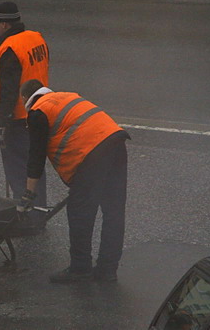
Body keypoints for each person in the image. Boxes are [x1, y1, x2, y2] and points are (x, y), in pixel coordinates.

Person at [17, 79, 129, 283]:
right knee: (113, 211)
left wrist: (29, 194)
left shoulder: (38, 111)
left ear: (25, 98)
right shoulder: (66, 97)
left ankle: (80, 268)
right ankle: (108, 270)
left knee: (80, 212)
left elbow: (36, 157)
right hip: (116, 143)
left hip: (92, 155)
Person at [0, 1, 49, 207]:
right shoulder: (35, 39)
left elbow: (8, 92)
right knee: (33, 166)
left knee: (18, 167)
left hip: (18, 119)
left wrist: (0, 124)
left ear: (4, 25)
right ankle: (39, 209)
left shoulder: (10, 49)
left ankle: (27, 214)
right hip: (39, 110)